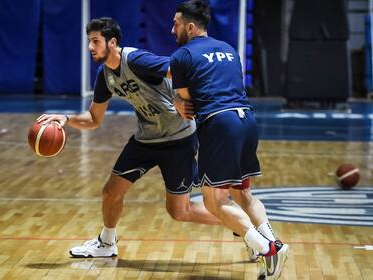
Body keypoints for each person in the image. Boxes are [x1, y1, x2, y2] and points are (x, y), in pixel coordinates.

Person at [37, 17, 227, 258]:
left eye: (95, 41)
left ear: (112, 42)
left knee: (179, 212)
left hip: (178, 140)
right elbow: (94, 119)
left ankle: (239, 224)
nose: (90, 47)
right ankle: (107, 243)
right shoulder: (105, 75)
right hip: (146, 139)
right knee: (110, 192)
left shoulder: (136, 60)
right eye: (89, 42)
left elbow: (178, 69)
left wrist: (180, 99)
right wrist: (65, 119)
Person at [169, 1, 289, 279]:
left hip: (219, 124)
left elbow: (187, 106)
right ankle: (272, 242)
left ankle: (268, 249)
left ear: (190, 26)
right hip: (247, 119)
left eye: (175, 24)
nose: (171, 29)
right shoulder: (228, 49)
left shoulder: (182, 55)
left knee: (213, 201)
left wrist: (175, 101)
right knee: (243, 194)